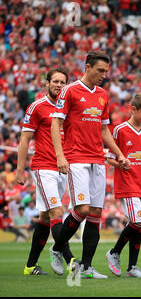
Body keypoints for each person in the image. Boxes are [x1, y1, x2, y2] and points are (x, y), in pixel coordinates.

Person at [49, 51, 130, 279]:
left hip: (97, 158)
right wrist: (60, 155)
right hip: (76, 157)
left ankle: (86, 267)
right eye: (100, 71)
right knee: (82, 210)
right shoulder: (70, 91)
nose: (103, 75)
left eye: (106, 71)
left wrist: (119, 154)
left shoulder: (103, 94)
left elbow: (104, 129)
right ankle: (57, 248)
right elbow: (56, 123)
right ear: (87, 67)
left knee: (95, 213)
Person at [15, 67, 77, 276]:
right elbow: (24, 139)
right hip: (43, 167)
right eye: (55, 82)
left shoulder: (69, 107)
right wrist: (20, 170)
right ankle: (71, 261)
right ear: (47, 83)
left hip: (63, 169)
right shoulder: (37, 107)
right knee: (57, 213)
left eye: (62, 82)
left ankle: (30, 266)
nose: (59, 85)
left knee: (44, 217)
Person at [105, 93, 141, 278]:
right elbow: (110, 158)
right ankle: (114, 253)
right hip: (127, 185)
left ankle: (132, 267)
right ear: (133, 109)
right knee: (137, 221)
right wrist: (121, 163)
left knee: (138, 224)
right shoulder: (120, 130)